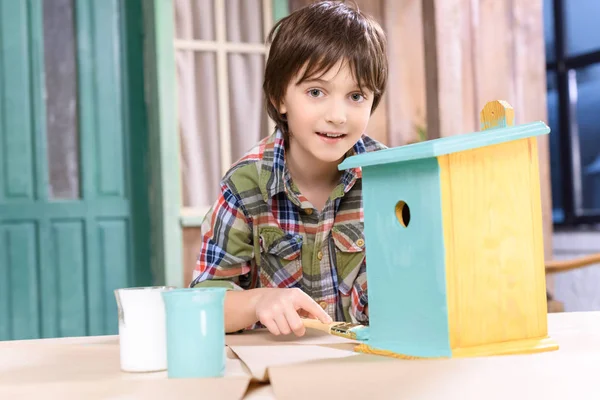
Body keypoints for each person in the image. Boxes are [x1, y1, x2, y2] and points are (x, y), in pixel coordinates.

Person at [190, 0, 388, 337]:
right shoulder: (245, 185)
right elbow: (202, 305)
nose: (337, 115)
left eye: (356, 96)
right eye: (316, 91)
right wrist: (258, 301)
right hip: (276, 373)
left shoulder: (390, 180)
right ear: (281, 97)